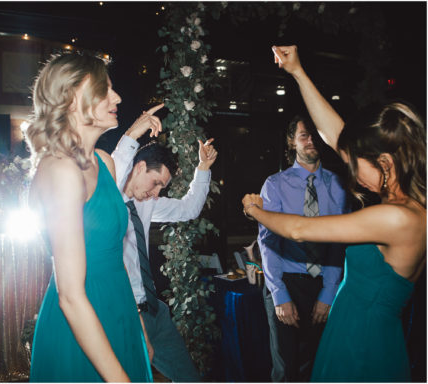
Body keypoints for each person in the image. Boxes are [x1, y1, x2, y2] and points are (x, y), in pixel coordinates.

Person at [242, 45, 426, 381]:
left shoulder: (399, 218)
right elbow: (334, 135)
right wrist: (298, 72)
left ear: (385, 163)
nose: (351, 173)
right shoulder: (400, 200)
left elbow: (298, 229)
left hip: (362, 343)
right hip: (352, 328)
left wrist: (255, 210)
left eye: (357, 164)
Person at [25, 52, 152, 382]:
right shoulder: (61, 170)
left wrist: (138, 327)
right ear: (74, 96)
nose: (118, 97)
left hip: (118, 307)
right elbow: (69, 295)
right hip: (79, 321)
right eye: (105, 89)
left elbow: (116, 253)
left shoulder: (104, 162)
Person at [111, 120, 216, 381]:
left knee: (189, 378)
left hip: (155, 312)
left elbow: (188, 209)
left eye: (162, 188)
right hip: (125, 314)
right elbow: (116, 164)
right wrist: (134, 132)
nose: (157, 193)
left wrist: (202, 168)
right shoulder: (108, 197)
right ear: (139, 167)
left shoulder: (147, 203)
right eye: (156, 182)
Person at [255, 115, 347, 382]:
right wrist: (279, 295)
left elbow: (339, 243)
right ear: (291, 141)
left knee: (317, 366)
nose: (310, 141)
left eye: (314, 135)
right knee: (286, 369)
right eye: (304, 135)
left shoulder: (339, 186)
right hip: (285, 282)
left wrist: (329, 293)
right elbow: (268, 242)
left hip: (324, 284)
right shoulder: (275, 184)